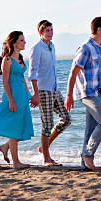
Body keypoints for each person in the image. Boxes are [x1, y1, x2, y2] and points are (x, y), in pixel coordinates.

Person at [65, 17, 101, 171]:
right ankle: (87, 154)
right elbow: (73, 72)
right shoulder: (86, 48)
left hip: (99, 94)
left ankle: (85, 166)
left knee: (90, 130)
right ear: (98, 30)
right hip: (87, 93)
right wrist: (69, 95)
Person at [0, 31, 36, 170]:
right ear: (14, 43)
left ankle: (6, 147)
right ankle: (16, 163)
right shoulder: (7, 60)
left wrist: (30, 94)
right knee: (15, 129)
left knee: (21, 127)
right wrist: (10, 100)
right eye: (22, 40)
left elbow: (22, 79)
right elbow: (5, 82)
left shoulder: (20, 59)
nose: (24, 42)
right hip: (13, 95)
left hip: (22, 95)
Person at [27, 20, 71, 166]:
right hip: (43, 90)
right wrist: (35, 93)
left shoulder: (52, 46)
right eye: (47, 31)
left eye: (51, 30)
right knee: (47, 124)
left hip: (54, 89)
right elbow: (32, 73)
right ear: (40, 32)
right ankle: (46, 158)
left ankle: (43, 147)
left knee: (66, 119)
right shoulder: (36, 48)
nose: (50, 33)